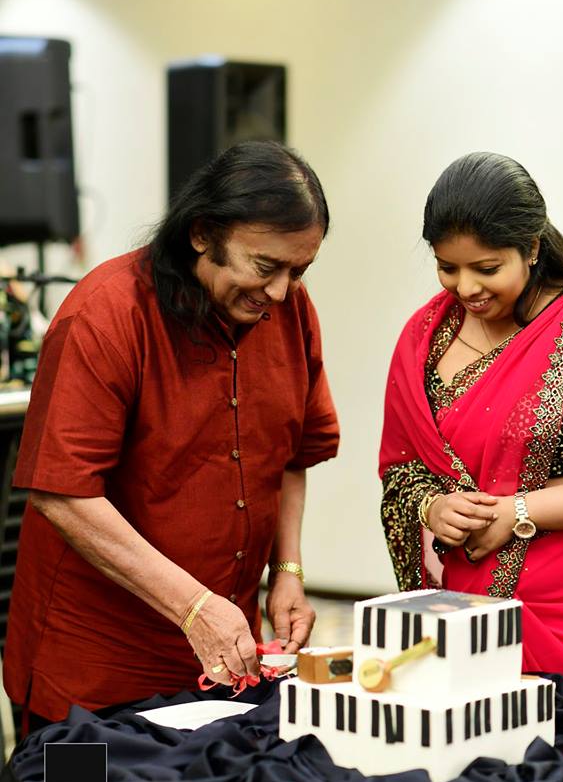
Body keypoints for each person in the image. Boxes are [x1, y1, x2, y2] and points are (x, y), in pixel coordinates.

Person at [4, 140, 339, 728]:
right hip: (89, 678)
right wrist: (193, 607)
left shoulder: (288, 310)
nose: (281, 292)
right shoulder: (105, 314)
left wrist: (287, 572)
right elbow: (63, 493)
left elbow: (292, 455)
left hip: (219, 667)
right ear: (202, 233)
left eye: (299, 270)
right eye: (265, 267)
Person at [379, 151, 563, 701]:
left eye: (487, 268)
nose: (466, 287)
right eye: (447, 267)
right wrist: (433, 508)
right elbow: (403, 473)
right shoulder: (426, 336)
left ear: (532, 248)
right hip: (473, 615)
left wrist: (516, 512)